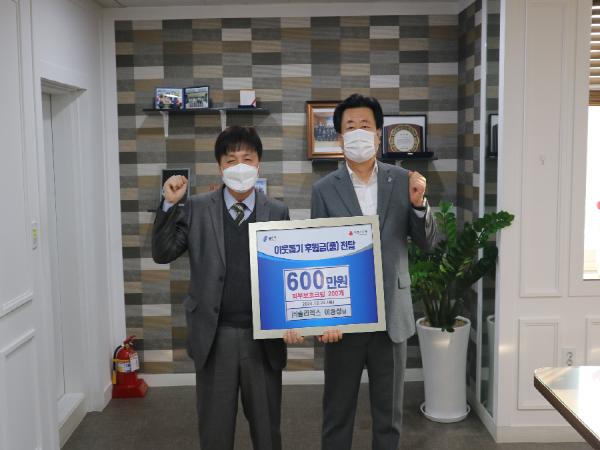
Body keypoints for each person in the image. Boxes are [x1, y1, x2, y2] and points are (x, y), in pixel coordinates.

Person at [284, 94, 438, 450]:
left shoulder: (403, 180)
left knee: (389, 419)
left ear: (378, 134)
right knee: (337, 416)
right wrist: (324, 317)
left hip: (392, 317)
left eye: (365, 125)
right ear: (340, 138)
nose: (357, 132)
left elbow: (428, 243)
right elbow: (320, 254)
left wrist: (419, 204)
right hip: (344, 321)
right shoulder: (324, 190)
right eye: (350, 127)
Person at [152, 126, 289, 450]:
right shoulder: (196, 207)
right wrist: (169, 204)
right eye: (230, 160)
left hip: (262, 338)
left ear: (258, 164)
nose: (239, 166)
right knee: (215, 433)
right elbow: (163, 252)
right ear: (219, 167)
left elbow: (286, 272)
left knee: (267, 432)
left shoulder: (277, 211)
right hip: (214, 337)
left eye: (247, 159)